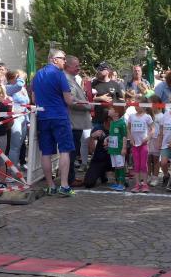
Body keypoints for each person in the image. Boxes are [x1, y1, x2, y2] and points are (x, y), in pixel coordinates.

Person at [31, 49, 75, 196]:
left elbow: (34, 99)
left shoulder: (37, 74)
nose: (65, 61)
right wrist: (74, 100)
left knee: (46, 152)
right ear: (54, 59)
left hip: (43, 116)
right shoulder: (59, 74)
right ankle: (64, 185)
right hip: (59, 116)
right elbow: (68, 100)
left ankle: (50, 186)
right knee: (64, 150)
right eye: (63, 58)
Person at [65, 56, 92, 187]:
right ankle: (69, 179)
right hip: (73, 122)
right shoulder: (67, 79)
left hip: (76, 122)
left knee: (73, 151)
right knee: (71, 152)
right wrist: (88, 105)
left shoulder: (72, 79)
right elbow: (72, 100)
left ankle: (69, 177)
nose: (79, 68)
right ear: (68, 66)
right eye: (76, 66)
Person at [5, 69, 30, 168]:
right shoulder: (8, 87)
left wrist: (27, 121)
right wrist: (20, 77)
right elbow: (19, 85)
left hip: (23, 117)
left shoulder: (23, 89)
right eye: (20, 77)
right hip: (15, 118)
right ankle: (12, 170)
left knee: (19, 145)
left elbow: (26, 105)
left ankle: (15, 167)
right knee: (14, 146)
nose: (23, 80)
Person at [127, 101, 154, 193]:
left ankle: (145, 184)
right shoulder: (131, 116)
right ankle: (137, 184)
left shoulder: (147, 117)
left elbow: (153, 129)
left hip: (143, 144)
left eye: (138, 105)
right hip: (135, 145)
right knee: (136, 165)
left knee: (143, 165)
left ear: (144, 106)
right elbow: (128, 128)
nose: (136, 107)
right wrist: (131, 138)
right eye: (135, 105)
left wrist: (148, 137)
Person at [91, 61, 124, 131]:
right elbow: (88, 100)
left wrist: (116, 112)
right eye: (98, 69)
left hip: (113, 121)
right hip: (98, 121)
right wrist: (99, 98)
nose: (99, 71)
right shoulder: (93, 83)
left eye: (101, 69)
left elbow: (121, 101)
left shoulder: (115, 84)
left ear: (108, 70)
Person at [104, 107, 127, 191]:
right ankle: (117, 182)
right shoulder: (112, 122)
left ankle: (122, 184)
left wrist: (124, 148)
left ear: (117, 113)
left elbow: (124, 136)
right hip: (113, 149)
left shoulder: (122, 123)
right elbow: (112, 135)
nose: (109, 110)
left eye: (111, 109)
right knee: (116, 166)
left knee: (120, 166)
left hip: (119, 149)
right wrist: (106, 139)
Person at [147, 95, 164, 187]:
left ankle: (155, 177)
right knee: (148, 159)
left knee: (156, 160)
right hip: (148, 139)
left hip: (156, 139)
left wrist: (160, 141)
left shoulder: (161, 116)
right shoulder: (148, 116)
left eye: (151, 103)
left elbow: (162, 130)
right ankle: (148, 176)